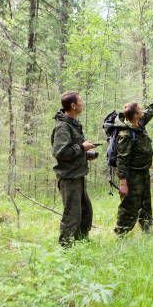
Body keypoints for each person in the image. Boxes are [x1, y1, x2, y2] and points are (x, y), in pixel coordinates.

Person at [114, 81, 153, 235]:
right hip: (131, 176)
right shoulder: (125, 134)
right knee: (129, 204)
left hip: (143, 174)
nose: (143, 110)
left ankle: (147, 231)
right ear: (135, 115)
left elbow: (152, 108)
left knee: (146, 203)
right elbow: (122, 160)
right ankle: (121, 233)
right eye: (140, 109)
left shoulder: (139, 123)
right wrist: (123, 183)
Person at [51, 91, 97, 247]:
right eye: (80, 100)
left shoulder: (73, 124)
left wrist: (86, 153)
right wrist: (81, 148)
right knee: (72, 214)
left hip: (78, 176)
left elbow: (73, 149)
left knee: (85, 212)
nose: (82, 103)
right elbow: (61, 152)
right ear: (73, 105)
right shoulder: (63, 127)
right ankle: (66, 248)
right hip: (69, 178)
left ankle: (82, 243)